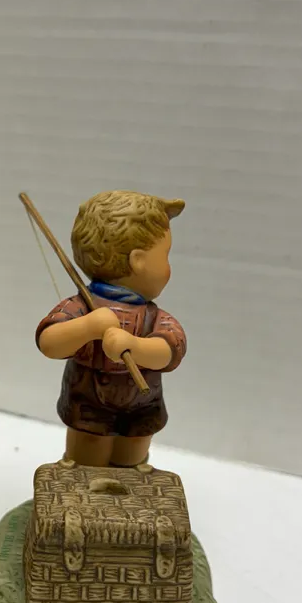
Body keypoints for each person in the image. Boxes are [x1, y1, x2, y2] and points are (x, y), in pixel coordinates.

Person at [36, 190, 186, 468]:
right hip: (89, 401)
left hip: (141, 404)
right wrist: (87, 327)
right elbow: (48, 342)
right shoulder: (83, 307)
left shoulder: (152, 316)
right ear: (138, 260)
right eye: (165, 256)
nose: (169, 268)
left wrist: (137, 347)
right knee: (87, 454)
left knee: (133, 454)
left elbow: (171, 349)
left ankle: (130, 487)